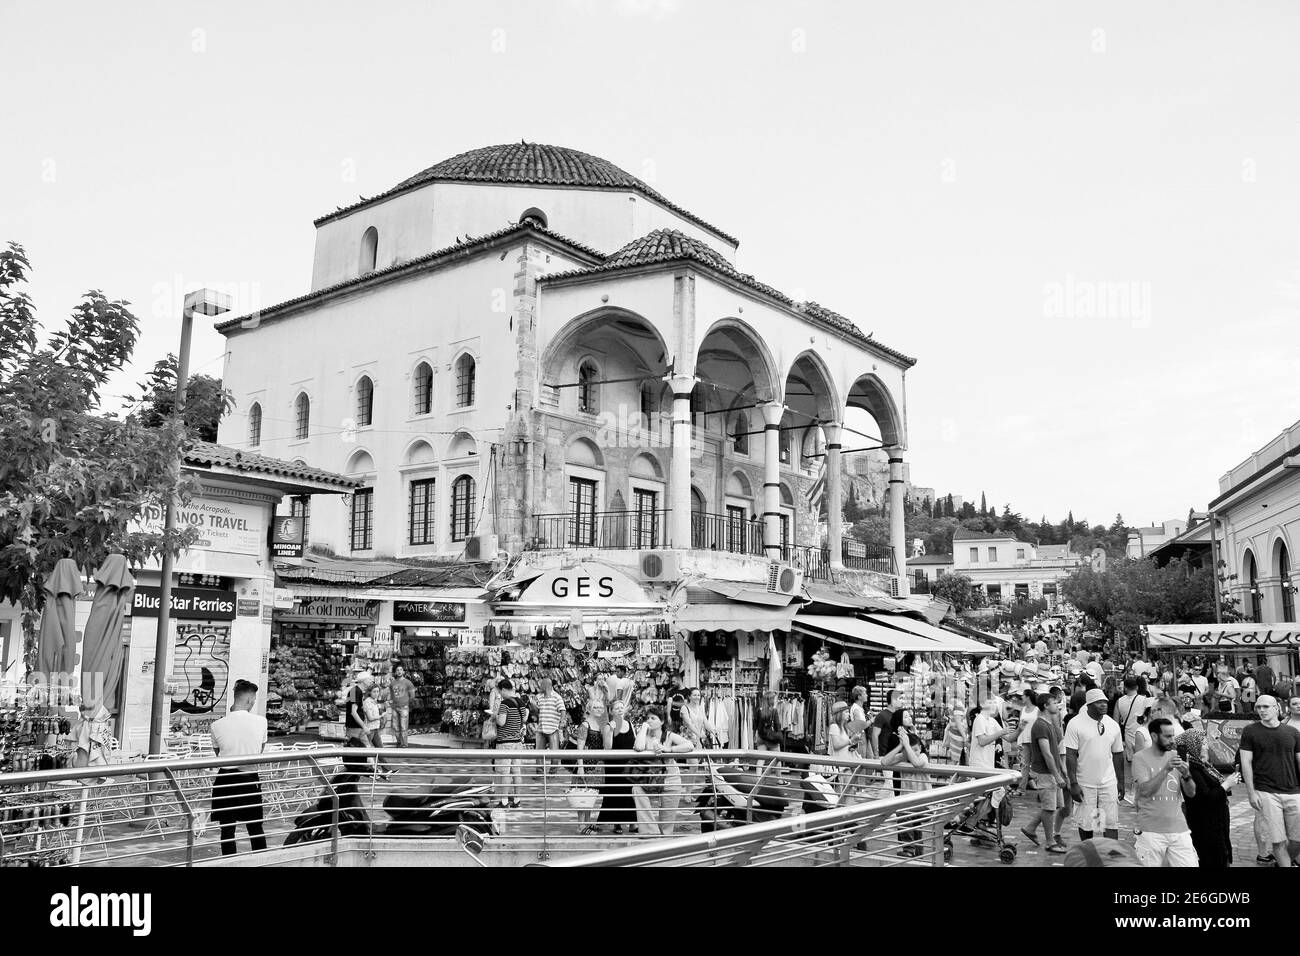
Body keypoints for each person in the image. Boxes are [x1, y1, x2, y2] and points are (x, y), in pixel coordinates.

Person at [1238, 695, 1300, 867]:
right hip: (1266, 791)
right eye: (1258, 707)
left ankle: (1281, 863)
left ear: (1276, 708)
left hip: (1294, 790)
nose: (1261, 710)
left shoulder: (1292, 732)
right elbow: (1246, 762)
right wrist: (1251, 792)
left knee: (1297, 840)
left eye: (1265, 707)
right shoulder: (1251, 731)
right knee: (1278, 840)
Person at [209, 680, 269, 856]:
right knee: (255, 826)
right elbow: (260, 749)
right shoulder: (261, 722)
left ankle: (229, 861)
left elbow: (218, 752)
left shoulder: (216, 725)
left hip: (225, 780)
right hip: (249, 778)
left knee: (227, 829)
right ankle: (261, 860)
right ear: (250, 699)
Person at [1131, 717, 1198, 866]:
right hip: (1150, 831)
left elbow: (1191, 793)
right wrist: (1166, 769)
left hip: (1179, 829)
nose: (1172, 740)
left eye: (1172, 735)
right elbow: (1145, 791)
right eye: (1167, 736)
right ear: (1154, 736)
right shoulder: (1140, 758)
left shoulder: (1177, 756)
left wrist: (1187, 775)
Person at [1063, 687, 1125, 841]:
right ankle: (1089, 852)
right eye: (1099, 702)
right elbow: (1070, 755)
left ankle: (1110, 856)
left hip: (1108, 782)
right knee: (1087, 823)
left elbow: (1118, 754)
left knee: (1110, 822)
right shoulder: (1075, 723)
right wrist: (1073, 783)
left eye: (1105, 702)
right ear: (1089, 705)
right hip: (1085, 782)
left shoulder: (1113, 725)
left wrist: (1121, 782)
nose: (1104, 705)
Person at [1175, 728, 1233, 868]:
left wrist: (1226, 786)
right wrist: (1226, 785)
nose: (1206, 746)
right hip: (1205, 826)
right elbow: (1206, 797)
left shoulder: (1202, 765)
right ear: (1194, 744)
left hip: (1215, 823)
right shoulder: (1193, 769)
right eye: (1203, 742)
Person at [632, 706, 693, 836]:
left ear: (661, 721)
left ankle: (663, 844)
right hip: (650, 780)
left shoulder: (669, 736)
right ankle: (650, 832)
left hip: (671, 780)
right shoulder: (643, 734)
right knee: (637, 789)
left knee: (666, 825)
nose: (649, 720)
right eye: (647, 718)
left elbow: (689, 745)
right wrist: (643, 728)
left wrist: (669, 750)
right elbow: (639, 747)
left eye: (653, 718)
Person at [1020, 693, 1067, 855]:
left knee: (1054, 806)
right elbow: (1047, 753)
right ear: (1046, 706)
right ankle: (1050, 841)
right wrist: (1057, 774)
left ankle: (1030, 827)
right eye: (1054, 703)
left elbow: (1056, 749)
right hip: (1046, 773)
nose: (1057, 705)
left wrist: (1062, 770)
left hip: (1052, 771)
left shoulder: (1049, 723)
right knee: (1049, 808)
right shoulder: (1040, 725)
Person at [881, 709, 930, 857]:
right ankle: (913, 850)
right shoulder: (904, 756)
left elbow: (916, 762)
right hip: (909, 800)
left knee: (909, 817)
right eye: (911, 750)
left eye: (916, 749)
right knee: (906, 815)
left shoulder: (922, 756)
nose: (913, 752)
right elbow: (884, 762)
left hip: (923, 801)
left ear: (920, 748)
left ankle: (911, 849)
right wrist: (901, 747)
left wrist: (908, 745)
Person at [597, 699, 637, 833]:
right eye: (617, 708)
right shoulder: (609, 725)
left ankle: (633, 823)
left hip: (630, 766)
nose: (620, 710)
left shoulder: (630, 724)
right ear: (612, 711)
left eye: (622, 707)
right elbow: (607, 748)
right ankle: (617, 823)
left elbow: (636, 744)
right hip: (614, 766)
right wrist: (611, 730)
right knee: (615, 794)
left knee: (630, 794)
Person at [573, 698, 606, 834]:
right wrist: (580, 767)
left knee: (590, 796)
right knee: (582, 796)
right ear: (589, 709)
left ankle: (587, 823)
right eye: (595, 707)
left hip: (595, 766)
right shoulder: (585, 725)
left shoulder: (600, 724)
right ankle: (581, 826)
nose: (599, 709)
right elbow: (579, 747)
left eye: (600, 707)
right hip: (586, 764)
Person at [493, 678, 527, 809]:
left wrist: (495, 716)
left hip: (505, 742)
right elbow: (524, 718)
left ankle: (505, 800)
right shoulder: (521, 702)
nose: (500, 694)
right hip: (517, 742)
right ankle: (517, 800)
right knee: (516, 771)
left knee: (505, 772)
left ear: (503, 689)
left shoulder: (505, 704)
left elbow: (501, 722)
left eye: (500, 691)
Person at [533, 676, 565, 752]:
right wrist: (533, 705)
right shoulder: (539, 697)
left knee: (554, 753)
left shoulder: (557, 697)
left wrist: (562, 722)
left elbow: (562, 710)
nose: (540, 686)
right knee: (539, 753)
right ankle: (540, 764)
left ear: (547, 685)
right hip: (541, 728)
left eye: (542, 685)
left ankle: (554, 764)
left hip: (553, 728)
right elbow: (537, 711)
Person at [869, 688, 903, 758]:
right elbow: (874, 735)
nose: (902, 701)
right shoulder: (882, 715)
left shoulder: (899, 715)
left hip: (898, 754)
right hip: (884, 755)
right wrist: (876, 754)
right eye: (900, 698)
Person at [388, 665, 416, 747]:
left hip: (404, 707)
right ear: (395, 672)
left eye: (401, 669)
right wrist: (391, 702)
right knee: (395, 727)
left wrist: (406, 703)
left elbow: (412, 696)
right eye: (397, 670)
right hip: (394, 707)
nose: (399, 671)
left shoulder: (408, 682)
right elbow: (391, 695)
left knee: (403, 727)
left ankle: (404, 744)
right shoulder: (392, 683)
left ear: (403, 672)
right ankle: (399, 742)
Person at [344, 672, 372, 745]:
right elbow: (353, 712)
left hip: (357, 727)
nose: (370, 681)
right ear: (364, 681)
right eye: (369, 679)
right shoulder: (355, 691)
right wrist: (364, 726)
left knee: (366, 749)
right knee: (354, 751)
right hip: (354, 727)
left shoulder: (356, 691)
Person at [850, 686, 870, 757]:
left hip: (861, 737)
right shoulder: (856, 709)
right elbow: (860, 726)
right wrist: (871, 721)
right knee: (861, 759)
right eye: (865, 694)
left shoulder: (859, 708)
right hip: (859, 738)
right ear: (859, 697)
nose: (867, 695)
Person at [363, 684, 384, 748]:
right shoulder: (367, 702)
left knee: (380, 749)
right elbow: (370, 718)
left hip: (375, 728)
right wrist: (381, 716)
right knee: (366, 748)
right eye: (374, 691)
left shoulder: (375, 701)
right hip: (370, 729)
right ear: (370, 692)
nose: (376, 693)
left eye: (377, 691)